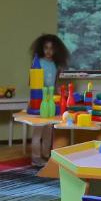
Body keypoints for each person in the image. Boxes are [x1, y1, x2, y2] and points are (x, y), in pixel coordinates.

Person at [28, 33, 70, 166]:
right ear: (41, 48)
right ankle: (35, 157)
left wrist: (61, 92)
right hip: (39, 100)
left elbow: (55, 84)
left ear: (56, 50)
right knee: (38, 129)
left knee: (49, 130)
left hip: (50, 100)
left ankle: (46, 154)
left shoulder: (56, 65)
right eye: (46, 48)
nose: (48, 51)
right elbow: (32, 82)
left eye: (51, 48)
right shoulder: (38, 62)